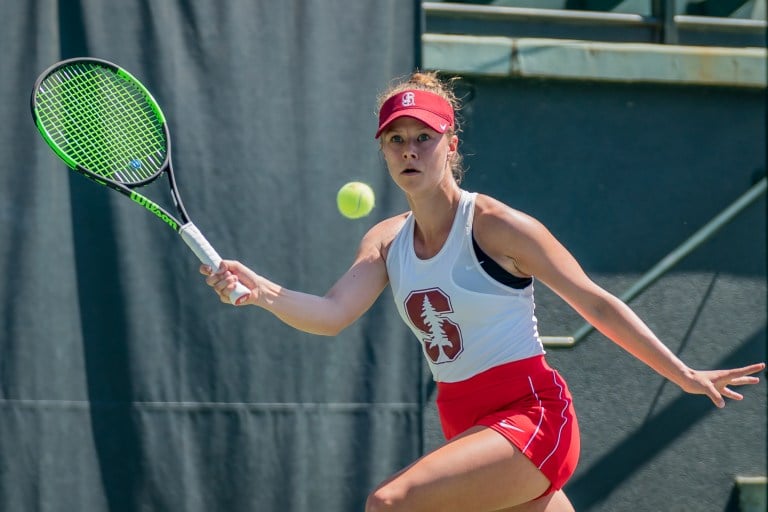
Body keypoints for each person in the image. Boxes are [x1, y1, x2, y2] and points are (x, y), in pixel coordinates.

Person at [200, 71, 765, 512]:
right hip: (464, 422)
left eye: (424, 137)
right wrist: (261, 290)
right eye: (396, 140)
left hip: (532, 414)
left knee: (390, 503)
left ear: (451, 142)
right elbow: (330, 314)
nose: (409, 150)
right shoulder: (385, 240)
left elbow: (595, 302)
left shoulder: (496, 225)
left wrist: (683, 374)